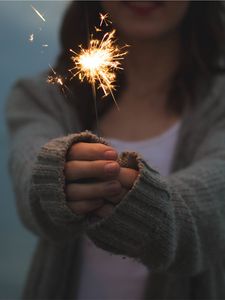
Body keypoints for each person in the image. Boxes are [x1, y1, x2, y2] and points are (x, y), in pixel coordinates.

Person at [6, 1, 225, 299]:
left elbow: (214, 206)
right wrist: (54, 174)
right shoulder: (43, 96)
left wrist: (148, 206)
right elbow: (28, 170)